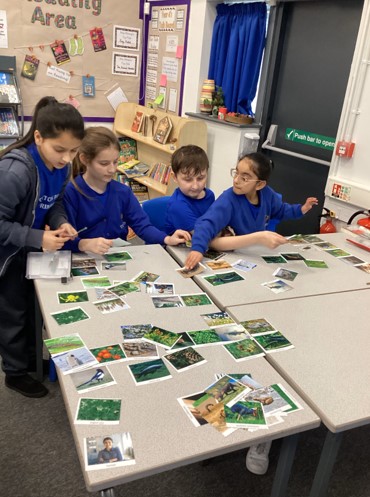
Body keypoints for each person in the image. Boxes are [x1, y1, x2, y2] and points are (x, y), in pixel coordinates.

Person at [0, 96, 85, 398]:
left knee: (36, 308)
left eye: (73, 151)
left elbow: (55, 203)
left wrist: (60, 222)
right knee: (13, 313)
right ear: (38, 137)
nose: (66, 158)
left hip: (32, 251)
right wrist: (38, 238)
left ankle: (33, 358)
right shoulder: (16, 171)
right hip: (9, 256)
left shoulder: (60, 167)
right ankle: (14, 372)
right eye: (60, 149)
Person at [62, 127, 191, 254]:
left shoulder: (122, 192)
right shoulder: (70, 193)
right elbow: (63, 240)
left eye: (115, 162)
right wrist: (83, 244)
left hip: (116, 256)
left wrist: (168, 239)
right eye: (104, 163)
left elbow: (142, 226)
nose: (112, 169)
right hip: (81, 258)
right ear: (84, 159)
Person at [185, 152, 318, 269]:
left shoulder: (268, 195)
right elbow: (207, 223)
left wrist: (301, 209)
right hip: (233, 255)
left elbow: (281, 210)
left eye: (245, 177)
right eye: (236, 173)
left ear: (260, 184)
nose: (236, 180)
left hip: (255, 253)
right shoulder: (229, 198)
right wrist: (197, 249)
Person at [164, 144, 215, 234]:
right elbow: (202, 236)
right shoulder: (177, 206)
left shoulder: (209, 195)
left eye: (200, 178)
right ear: (174, 177)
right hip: (178, 247)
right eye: (188, 179)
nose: (195, 186)